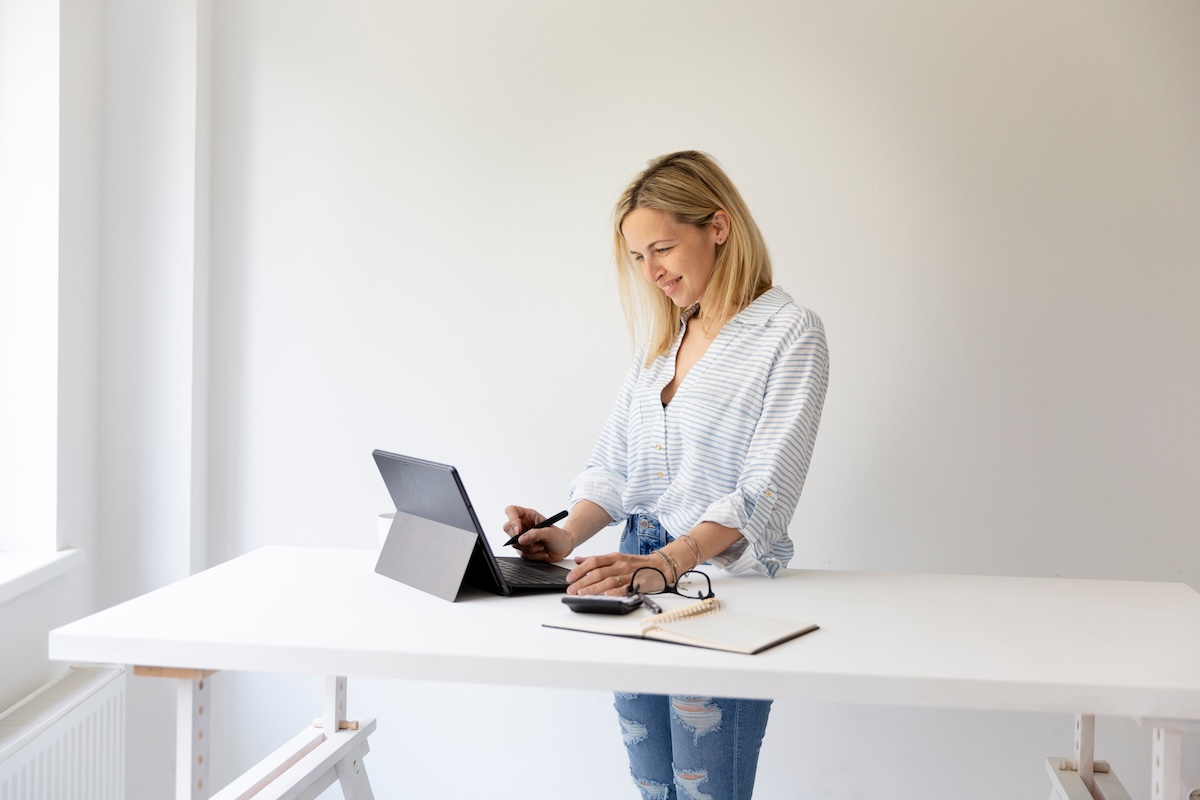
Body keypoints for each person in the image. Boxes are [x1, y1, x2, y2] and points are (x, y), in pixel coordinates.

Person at [503, 150, 829, 800]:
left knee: (704, 790)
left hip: (714, 585)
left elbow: (765, 492)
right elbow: (618, 468)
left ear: (718, 226)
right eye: (635, 258)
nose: (651, 272)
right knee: (654, 787)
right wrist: (563, 535)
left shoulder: (790, 334)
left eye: (662, 248)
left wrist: (668, 563)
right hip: (632, 579)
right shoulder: (666, 341)